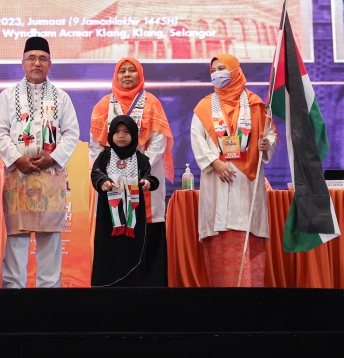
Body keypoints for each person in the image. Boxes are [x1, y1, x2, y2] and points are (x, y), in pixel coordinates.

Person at [0, 36, 80, 289]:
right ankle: (13, 293)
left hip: (50, 176)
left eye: (42, 58)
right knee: (16, 239)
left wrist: (52, 158)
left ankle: (49, 295)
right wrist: (17, 160)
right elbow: (0, 131)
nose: (37, 63)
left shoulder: (61, 97)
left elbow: (71, 132)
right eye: (31, 58)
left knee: (50, 239)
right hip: (18, 176)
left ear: (50, 64)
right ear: (23, 63)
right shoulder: (8, 96)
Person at [189, 54, 277, 288]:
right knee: (220, 242)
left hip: (247, 185)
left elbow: (269, 134)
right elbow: (197, 139)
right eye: (213, 70)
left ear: (235, 70)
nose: (217, 73)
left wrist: (267, 144)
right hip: (217, 179)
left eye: (222, 68)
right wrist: (214, 163)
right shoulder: (204, 106)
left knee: (249, 237)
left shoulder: (256, 104)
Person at [89, 57, 173, 286]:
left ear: (140, 75)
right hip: (112, 184)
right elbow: (95, 145)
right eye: (122, 71)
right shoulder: (103, 105)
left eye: (132, 71)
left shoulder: (152, 103)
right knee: (113, 232)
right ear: (115, 76)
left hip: (143, 181)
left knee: (148, 235)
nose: (126, 75)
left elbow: (158, 142)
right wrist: (108, 173)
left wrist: (137, 169)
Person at [90, 115, 158, 287]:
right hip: (108, 214)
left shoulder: (141, 158)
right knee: (107, 250)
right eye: (117, 131)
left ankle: (133, 287)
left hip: (133, 215)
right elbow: (96, 173)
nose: (121, 135)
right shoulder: (105, 155)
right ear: (111, 134)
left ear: (134, 135)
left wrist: (147, 182)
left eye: (127, 132)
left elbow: (149, 176)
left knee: (132, 251)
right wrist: (103, 182)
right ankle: (104, 287)